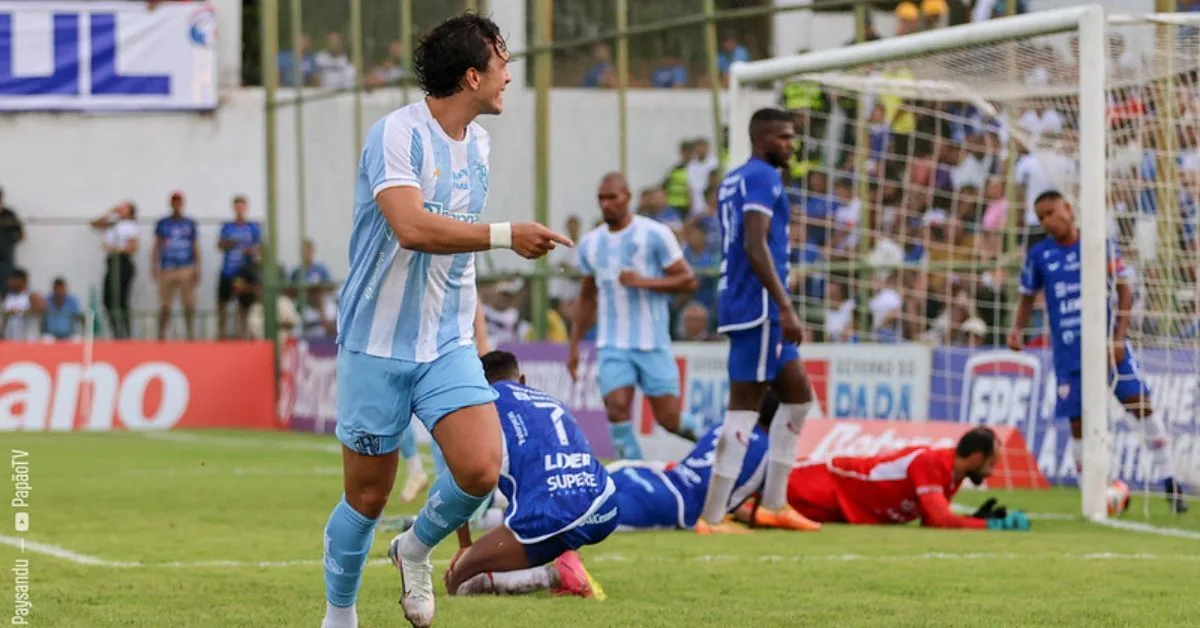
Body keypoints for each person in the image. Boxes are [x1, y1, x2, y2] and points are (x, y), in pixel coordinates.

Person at [321, 13, 571, 628]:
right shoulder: (395, 135)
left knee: (482, 469)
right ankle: (340, 615)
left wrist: (478, 339)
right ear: (471, 75)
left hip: (446, 342)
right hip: (376, 343)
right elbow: (411, 228)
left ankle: (414, 548)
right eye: (502, 62)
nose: (509, 74)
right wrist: (507, 235)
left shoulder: (479, 146)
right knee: (368, 496)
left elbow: (458, 251)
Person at [1007, 190, 1188, 513]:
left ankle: (1170, 482)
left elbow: (1124, 291)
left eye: (1051, 212)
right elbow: (1025, 295)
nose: (1048, 221)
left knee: (1140, 405)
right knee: (1078, 423)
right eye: (1042, 217)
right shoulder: (1039, 255)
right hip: (1068, 353)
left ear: (1067, 208)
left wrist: (1118, 338)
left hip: (1108, 347)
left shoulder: (1098, 244)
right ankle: (1092, 497)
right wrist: (1017, 329)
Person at [698, 108, 818, 534]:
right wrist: (784, 305)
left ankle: (774, 504)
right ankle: (712, 517)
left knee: (800, 399)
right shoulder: (763, 177)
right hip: (759, 307)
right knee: (743, 411)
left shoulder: (734, 179)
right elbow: (754, 242)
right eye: (784, 137)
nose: (790, 144)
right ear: (763, 138)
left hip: (742, 302)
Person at [430, 351, 615, 599]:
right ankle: (561, 554)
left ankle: (556, 573)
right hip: (605, 503)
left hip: (554, 513)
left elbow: (464, 478)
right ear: (523, 380)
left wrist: (465, 545)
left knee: (459, 583)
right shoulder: (552, 401)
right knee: (523, 515)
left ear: (478, 386)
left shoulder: (485, 408)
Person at [567, 172, 699, 460]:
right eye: (601, 198)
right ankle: (636, 475)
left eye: (612, 197)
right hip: (612, 343)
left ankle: (713, 446)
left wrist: (645, 282)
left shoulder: (655, 234)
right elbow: (587, 297)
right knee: (615, 407)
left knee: (670, 421)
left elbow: (688, 280)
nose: (606, 203)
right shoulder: (590, 244)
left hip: (653, 342)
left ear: (627, 197)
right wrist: (574, 345)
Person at [735, 426, 1030, 530]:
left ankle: (732, 513)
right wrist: (988, 525)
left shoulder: (953, 476)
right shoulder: (930, 462)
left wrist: (975, 518)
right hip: (834, 479)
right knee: (759, 483)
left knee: (772, 516)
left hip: (847, 507)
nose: (991, 471)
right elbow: (940, 520)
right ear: (976, 458)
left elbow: (931, 519)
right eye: (991, 463)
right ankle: (709, 503)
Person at [607, 390, 793, 532]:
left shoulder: (727, 425)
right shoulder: (771, 453)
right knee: (591, 519)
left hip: (649, 473)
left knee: (585, 488)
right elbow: (764, 510)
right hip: (671, 503)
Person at [152, 191, 200, 340]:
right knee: (165, 305)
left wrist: (197, 267)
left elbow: (195, 246)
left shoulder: (189, 223)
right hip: (167, 267)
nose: (177, 205)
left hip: (186, 267)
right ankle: (161, 335)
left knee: (189, 304)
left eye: (179, 202)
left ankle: (190, 334)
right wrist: (154, 266)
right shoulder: (163, 223)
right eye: (174, 202)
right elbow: (157, 245)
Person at [90, 203, 139, 339]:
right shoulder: (112, 224)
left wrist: (113, 248)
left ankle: (125, 333)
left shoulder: (130, 226)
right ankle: (116, 332)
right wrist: (110, 212)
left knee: (122, 300)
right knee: (108, 300)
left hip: (122, 261)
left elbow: (133, 247)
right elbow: (94, 224)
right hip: (112, 263)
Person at [217, 196, 261, 339]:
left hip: (244, 272)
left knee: (243, 305)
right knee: (223, 303)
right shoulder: (227, 227)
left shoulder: (253, 227)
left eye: (242, 206)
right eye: (237, 206)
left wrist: (250, 250)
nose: (240, 210)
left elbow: (259, 248)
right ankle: (222, 335)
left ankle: (243, 335)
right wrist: (230, 243)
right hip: (228, 270)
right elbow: (220, 244)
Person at [1, 268, 43, 341]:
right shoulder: (10, 297)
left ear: (21, 280)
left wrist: (20, 311)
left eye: (12, 279)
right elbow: (4, 313)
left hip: (29, 339)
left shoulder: (32, 295)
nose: (9, 282)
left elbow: (41, 310)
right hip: (12, 338)